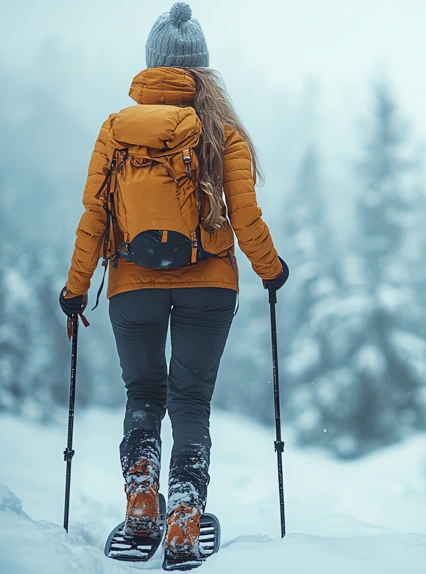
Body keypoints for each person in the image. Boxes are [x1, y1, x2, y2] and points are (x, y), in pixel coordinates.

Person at [58, 2, 288, 569]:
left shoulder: (115, 132)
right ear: (202, 68)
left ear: (152, 65)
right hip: (209, 287)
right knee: (191, 401)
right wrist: (271, 269)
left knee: (143, 395)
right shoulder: (223, 133)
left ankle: (142, 504)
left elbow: (94, 215)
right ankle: (184, 520)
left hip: (131, 287)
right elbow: (245, 214)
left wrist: (75, 287)